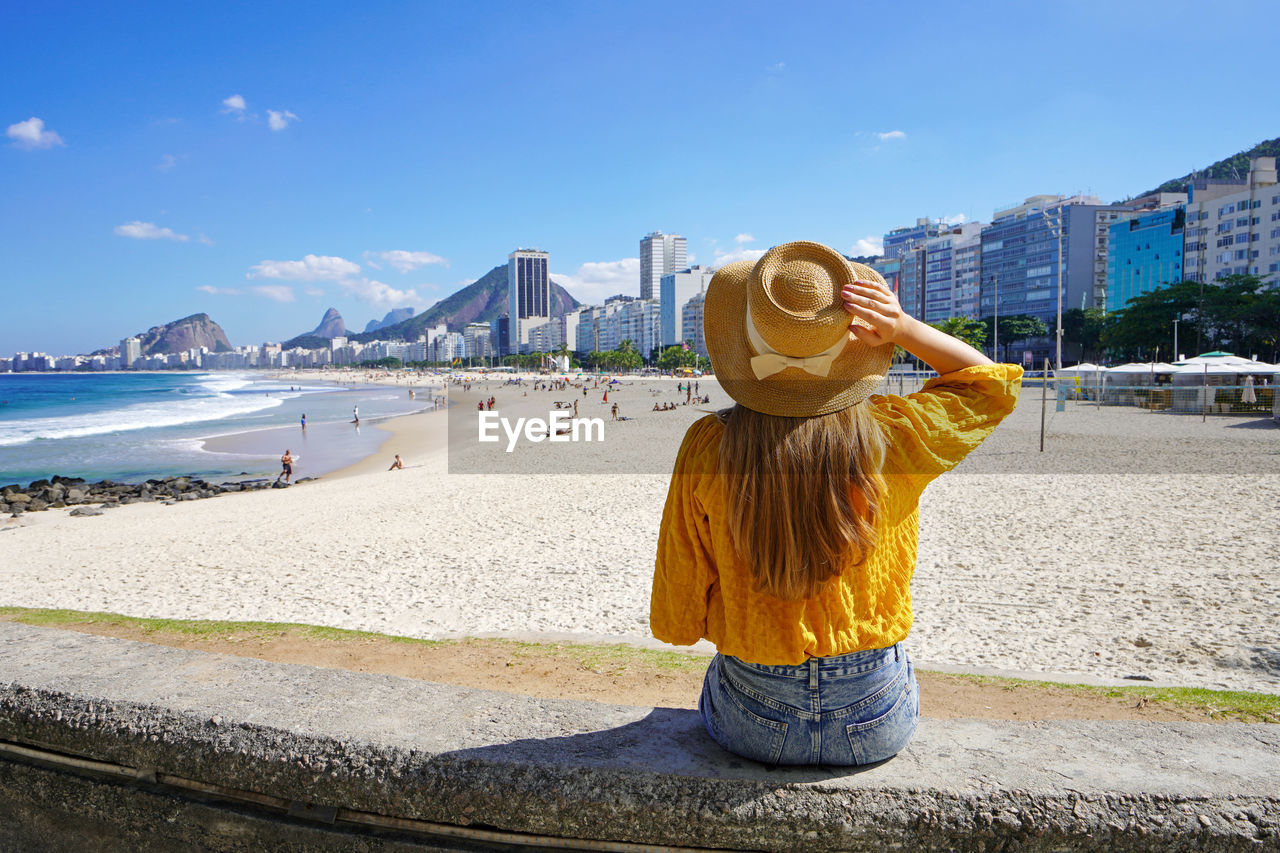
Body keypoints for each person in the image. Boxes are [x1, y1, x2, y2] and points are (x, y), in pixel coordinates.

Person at [651, 242, 1021, 767]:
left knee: (721, 679)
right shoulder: (895, 436)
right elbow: (991, 387)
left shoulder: (710, 445)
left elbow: (681, 577)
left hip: (751, 714)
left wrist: (692, 624)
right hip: (873, 712)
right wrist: (903, 328)